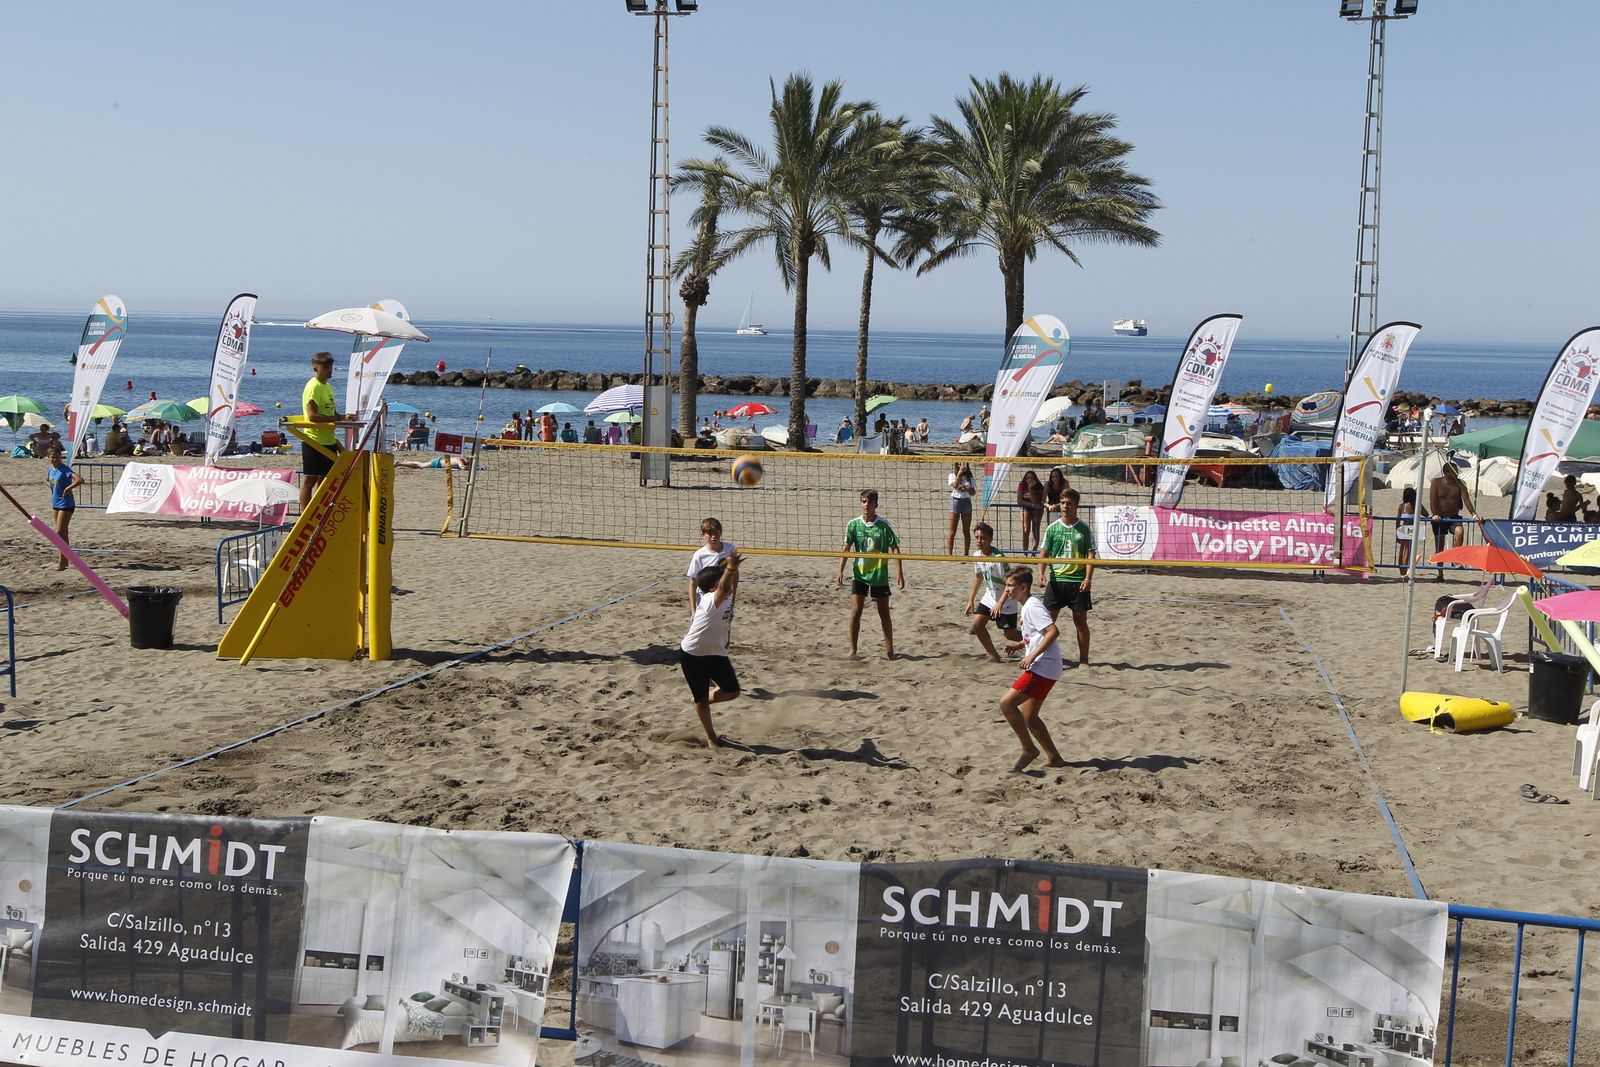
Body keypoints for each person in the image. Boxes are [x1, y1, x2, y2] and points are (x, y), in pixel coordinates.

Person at [997, 569, 1068, 772]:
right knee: (1029, 717)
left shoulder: (1033, 606)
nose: (1007, 589)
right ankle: (1054, 758)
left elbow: (1053, 632)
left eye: (1010, 585)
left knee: (1007, 703)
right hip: (1047, 666)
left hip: (1043, 666)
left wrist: (1031, 656)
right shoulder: (1027, 606)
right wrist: (1020, 645)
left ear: (1023, 587)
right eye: (1007, 585)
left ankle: (1029, 749)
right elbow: (1035, 634)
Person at [679, 554, 742, 748]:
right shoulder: (708, 601)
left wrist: (730, 567)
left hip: (716, 653)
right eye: (723, 580)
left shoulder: (727, 598)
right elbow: (723, 586)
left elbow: (727, 584)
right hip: (693, 654)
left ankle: (701, 701)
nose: (728, 583)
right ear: (714, 588)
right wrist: (729, 568)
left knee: (732, 691)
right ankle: (711, 737)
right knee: (701, 700)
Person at [837, 489, 904, 658]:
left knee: (884, 613)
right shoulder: (853, 524)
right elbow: (846, 548)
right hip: (859, 574)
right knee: (856, 611)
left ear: (876, 505)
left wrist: (899, 573)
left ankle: (890, 650)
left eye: (870, 502)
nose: (867, 505)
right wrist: (840, 571)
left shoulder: (883, 525)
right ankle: (853, 650)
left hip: (879, 575)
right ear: (861, 503)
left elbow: (895, 548)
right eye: (864, 501)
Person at [1036, 488, 1096, 666]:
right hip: (1056, 581)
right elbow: (1043, 553)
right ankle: (1041, 656)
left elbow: (1091, 555)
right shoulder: (1052, 528)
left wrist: (1088, 578)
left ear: (1076, 505)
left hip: (1077, 582)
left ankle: (1084, 659)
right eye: (1062, 503)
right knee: (1046, 622)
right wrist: (1040, 574)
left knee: (1080, 622)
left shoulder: (1084, 528)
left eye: (1069, 503)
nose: (1065, 507)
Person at [965, 522, 1021, 662]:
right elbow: (978, 577)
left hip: (1007, 599)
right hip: (990, 597)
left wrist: (1000, 604)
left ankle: (1036, 639)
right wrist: (971, 599)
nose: (979, 541)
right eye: (977, 537)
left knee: (1010, 635)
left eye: (982, 538)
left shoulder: (998, 559)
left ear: (990, 540)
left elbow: (1010, 585)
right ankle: (993, 655)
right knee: (977, 625)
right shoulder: (977, 555)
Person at [300, 351, 344, 509]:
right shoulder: (314, 386)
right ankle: (305, 516)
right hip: (314, 440)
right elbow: (312, 416)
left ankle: (319, 512)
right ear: (316, 368)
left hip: (329, 440)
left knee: (324, 481)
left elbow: (330, 413)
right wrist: (336, 419)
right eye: (325, 367)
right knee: (310, 480)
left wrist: (343, 417)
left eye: (330, 366)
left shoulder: (328, 387)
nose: (329, 369)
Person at [1427, 462, 1478, 580]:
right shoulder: (1436, 482)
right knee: (1439, 546)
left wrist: (1474, 514)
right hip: (1439, 517)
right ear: (1445, 473)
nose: (1455, 475)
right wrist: (1435, 514)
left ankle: (1454, 559)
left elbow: (1466, 500)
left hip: (1453, 516)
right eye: (1452, 472)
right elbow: (1433, 500)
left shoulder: (1460, 483)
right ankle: (1440, 574)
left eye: (1456, 472)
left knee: (1459, 531)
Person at [44, 444, 83, 571]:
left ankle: (62, 562)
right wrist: (51, 486)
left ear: (61, 457)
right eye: (52, 457)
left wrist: (68, 488)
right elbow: (47, 480)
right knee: (63, 533)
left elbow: (79, 480)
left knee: (59, 533)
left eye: (57, 457)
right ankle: (65, 561)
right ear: (48, 458)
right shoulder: (50, 470)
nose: (54, 459)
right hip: (55, 503)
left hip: (66, 504)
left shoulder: (64, 469)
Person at [687, 517, 736, 615]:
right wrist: (693, 610)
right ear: (703, 535)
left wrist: (733, 599)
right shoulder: (699, 555)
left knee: (723, 628)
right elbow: (693, 583)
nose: (713, 536)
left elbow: (735, 575)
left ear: (720, 533)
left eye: (716, 533)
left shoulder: (730, 549)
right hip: (705, 598)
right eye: (709, 533)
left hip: (725, 596)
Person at [946, 461, 976, 556]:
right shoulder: (952, 475)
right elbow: (955, 486)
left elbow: (973, 492)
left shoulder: (970, 478)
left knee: (966, 530)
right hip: (956, 501)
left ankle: (966, 554)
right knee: (952, 531)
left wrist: (966, 488)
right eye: (960, 464)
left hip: (966, 502)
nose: (962, 465)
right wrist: (959, 473)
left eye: (964, 464)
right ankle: (949, 555)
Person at [1396, 486, 1423, 577]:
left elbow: (1397, 521)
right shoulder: (1416, 505)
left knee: (1402, 551)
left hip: (1403, 528)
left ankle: (1402, 572)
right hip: (1412, 529)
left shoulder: (1401, 506)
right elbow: (1426, 514)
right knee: (1407, 551)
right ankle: (1404, 571)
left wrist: (1397, 533)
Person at [1017, 470, 1046, 554]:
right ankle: (1025, 552)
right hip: (1027, 507)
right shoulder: (1022, 485)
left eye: (1031, 478)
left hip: (1037, 508)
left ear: (1035, 479)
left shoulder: (1039, 487)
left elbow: (1035, 501)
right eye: (1028, 478)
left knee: (1036, 529)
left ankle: (1034, 551)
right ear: (1025, 479)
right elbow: (1019, 501)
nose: (1029, 480)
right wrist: (1031, 505)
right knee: (1026, 529)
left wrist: (1030, 489)